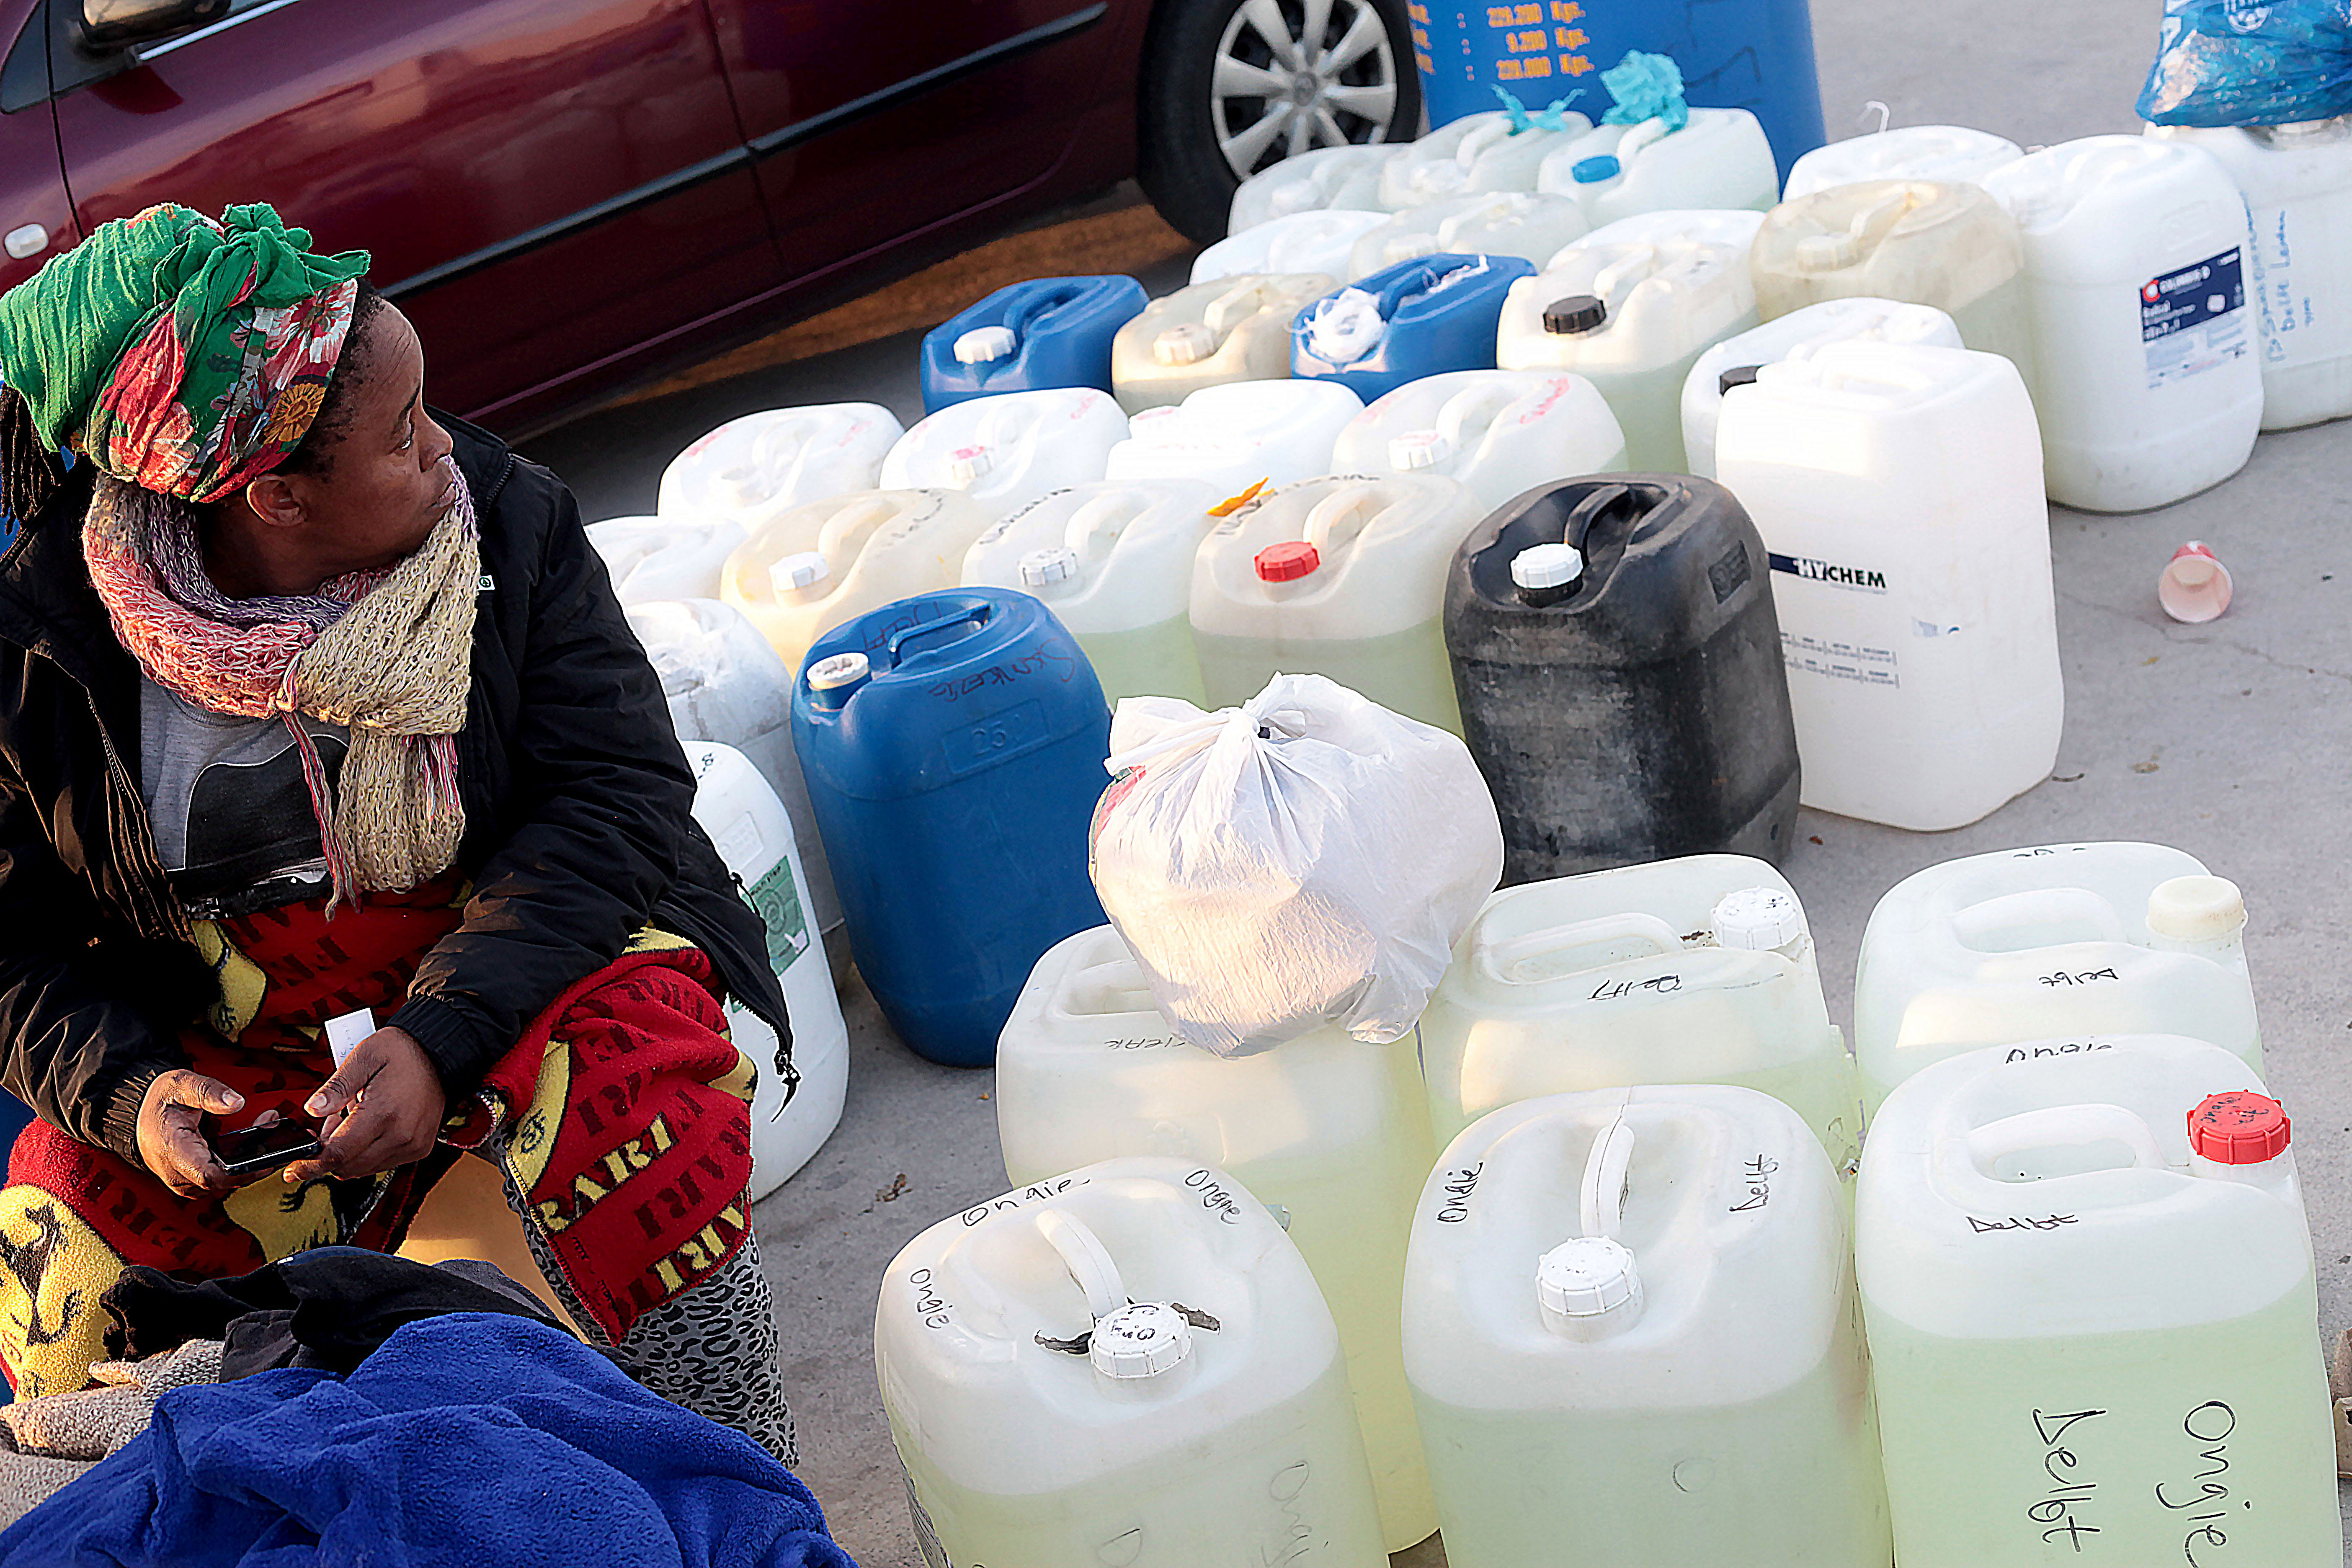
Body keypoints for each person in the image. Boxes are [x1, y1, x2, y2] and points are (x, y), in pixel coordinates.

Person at [0, 202, 797, 1461]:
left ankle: (680, 1471)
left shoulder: (507, 526)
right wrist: (136, 1092)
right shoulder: (41, 651)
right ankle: (311, 1466)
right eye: (401, 434)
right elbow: (12, 954)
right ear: (273, 497)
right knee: (65, 1238)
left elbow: (614, 797)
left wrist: (441, 1037)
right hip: (248, 1060)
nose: (447, 453)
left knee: (635, 1123)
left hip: (522, 980)